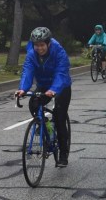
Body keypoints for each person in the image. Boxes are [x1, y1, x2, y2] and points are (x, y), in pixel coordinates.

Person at [16, 27, 72, 166]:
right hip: (43, 84)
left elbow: (61, 72)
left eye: (42, 45)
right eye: (36, 45)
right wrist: (22, 89)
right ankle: (45, 126)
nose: (39, 48)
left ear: (49, 44)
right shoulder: (31, 54)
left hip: (61, 85)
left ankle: (63, 154)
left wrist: (54, 89)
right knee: (33, 103)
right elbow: (27, 71)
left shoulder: (58, 52)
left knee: (59, 117)